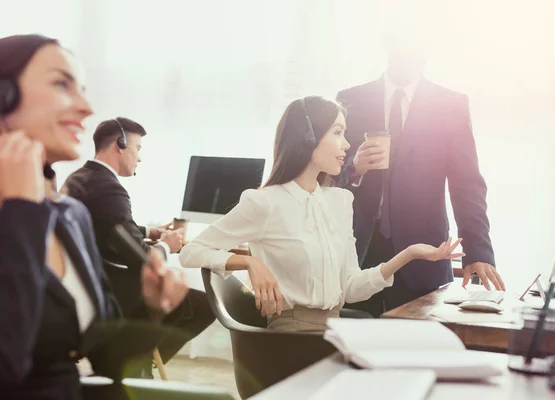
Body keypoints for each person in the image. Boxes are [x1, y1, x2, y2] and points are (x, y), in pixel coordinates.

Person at [0, 34, 188, 399]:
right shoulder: (25, 216)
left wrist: (150, 311)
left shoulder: (70, 215)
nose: (86, 107)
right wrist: (21, 213)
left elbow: (104, 362)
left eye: (83, 89)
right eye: (61, 84)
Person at [179, 96, 463, 332]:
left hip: (333, 332)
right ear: (308, 137)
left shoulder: (340, 201)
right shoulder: (264, 202)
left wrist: (409, 253)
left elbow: (351, 289)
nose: (347, 145)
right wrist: (250, 263)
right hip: (290, 338)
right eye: (338, 132)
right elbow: (191, 251)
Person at [334, 17, 506, 316]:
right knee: (353, 343)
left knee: (416, 347)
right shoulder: (351, 100)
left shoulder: (450, 104)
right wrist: (354, 167)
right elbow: (324, 175)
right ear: (387, 45)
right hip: (358, 250)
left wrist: (477, 251)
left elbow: (467, 184)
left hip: (424, 254)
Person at [62, 117, 215, 369]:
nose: (139, 158)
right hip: (114, 291)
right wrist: (167, 246)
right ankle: (139, 365)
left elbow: (106, 227)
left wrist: (149, 231)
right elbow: (143, 259)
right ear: (119, 144)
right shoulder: (110, 189)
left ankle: (139, 360)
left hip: (88, 281)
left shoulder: (79, 178)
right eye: (138, 149)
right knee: (202, 305)